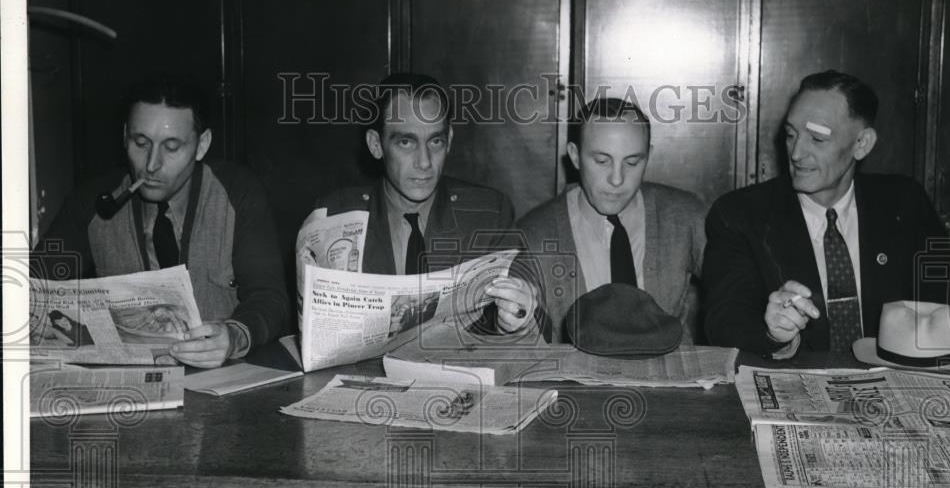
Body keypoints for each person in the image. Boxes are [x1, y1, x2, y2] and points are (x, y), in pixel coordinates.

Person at [33, 73, 289, 367]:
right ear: (125, 135)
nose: (151, 165)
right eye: (140, 142)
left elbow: (271, 299)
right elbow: (31, 290)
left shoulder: (239, 193)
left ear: (202, 145)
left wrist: (234, 336)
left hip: (223, 380)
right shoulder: (90, 201)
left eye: (171, 147)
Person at [702, 70, 950, 357]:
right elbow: (722, 322)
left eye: (817, 140)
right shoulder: (740, 214)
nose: (796, 153)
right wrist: (773, 333)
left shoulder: (905, 203)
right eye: (791, 134)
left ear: (861, 144)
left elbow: (945, 302)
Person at [311, 72, 536, 333]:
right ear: (376, 145)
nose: (425, 162)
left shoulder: (488, 213)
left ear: (449, 140)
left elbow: (520, 315)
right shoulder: (336, 215)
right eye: (406, 142)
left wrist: (516, 318)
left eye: (435, 141)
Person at [517, 97, 707, 342]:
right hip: (573, 379)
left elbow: (737, 291)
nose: (617, 179)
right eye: (602, 161)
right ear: (575, 156)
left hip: (671, 378)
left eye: (632, 162)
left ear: (648, 156)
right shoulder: (533, 234)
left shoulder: (685, 216)